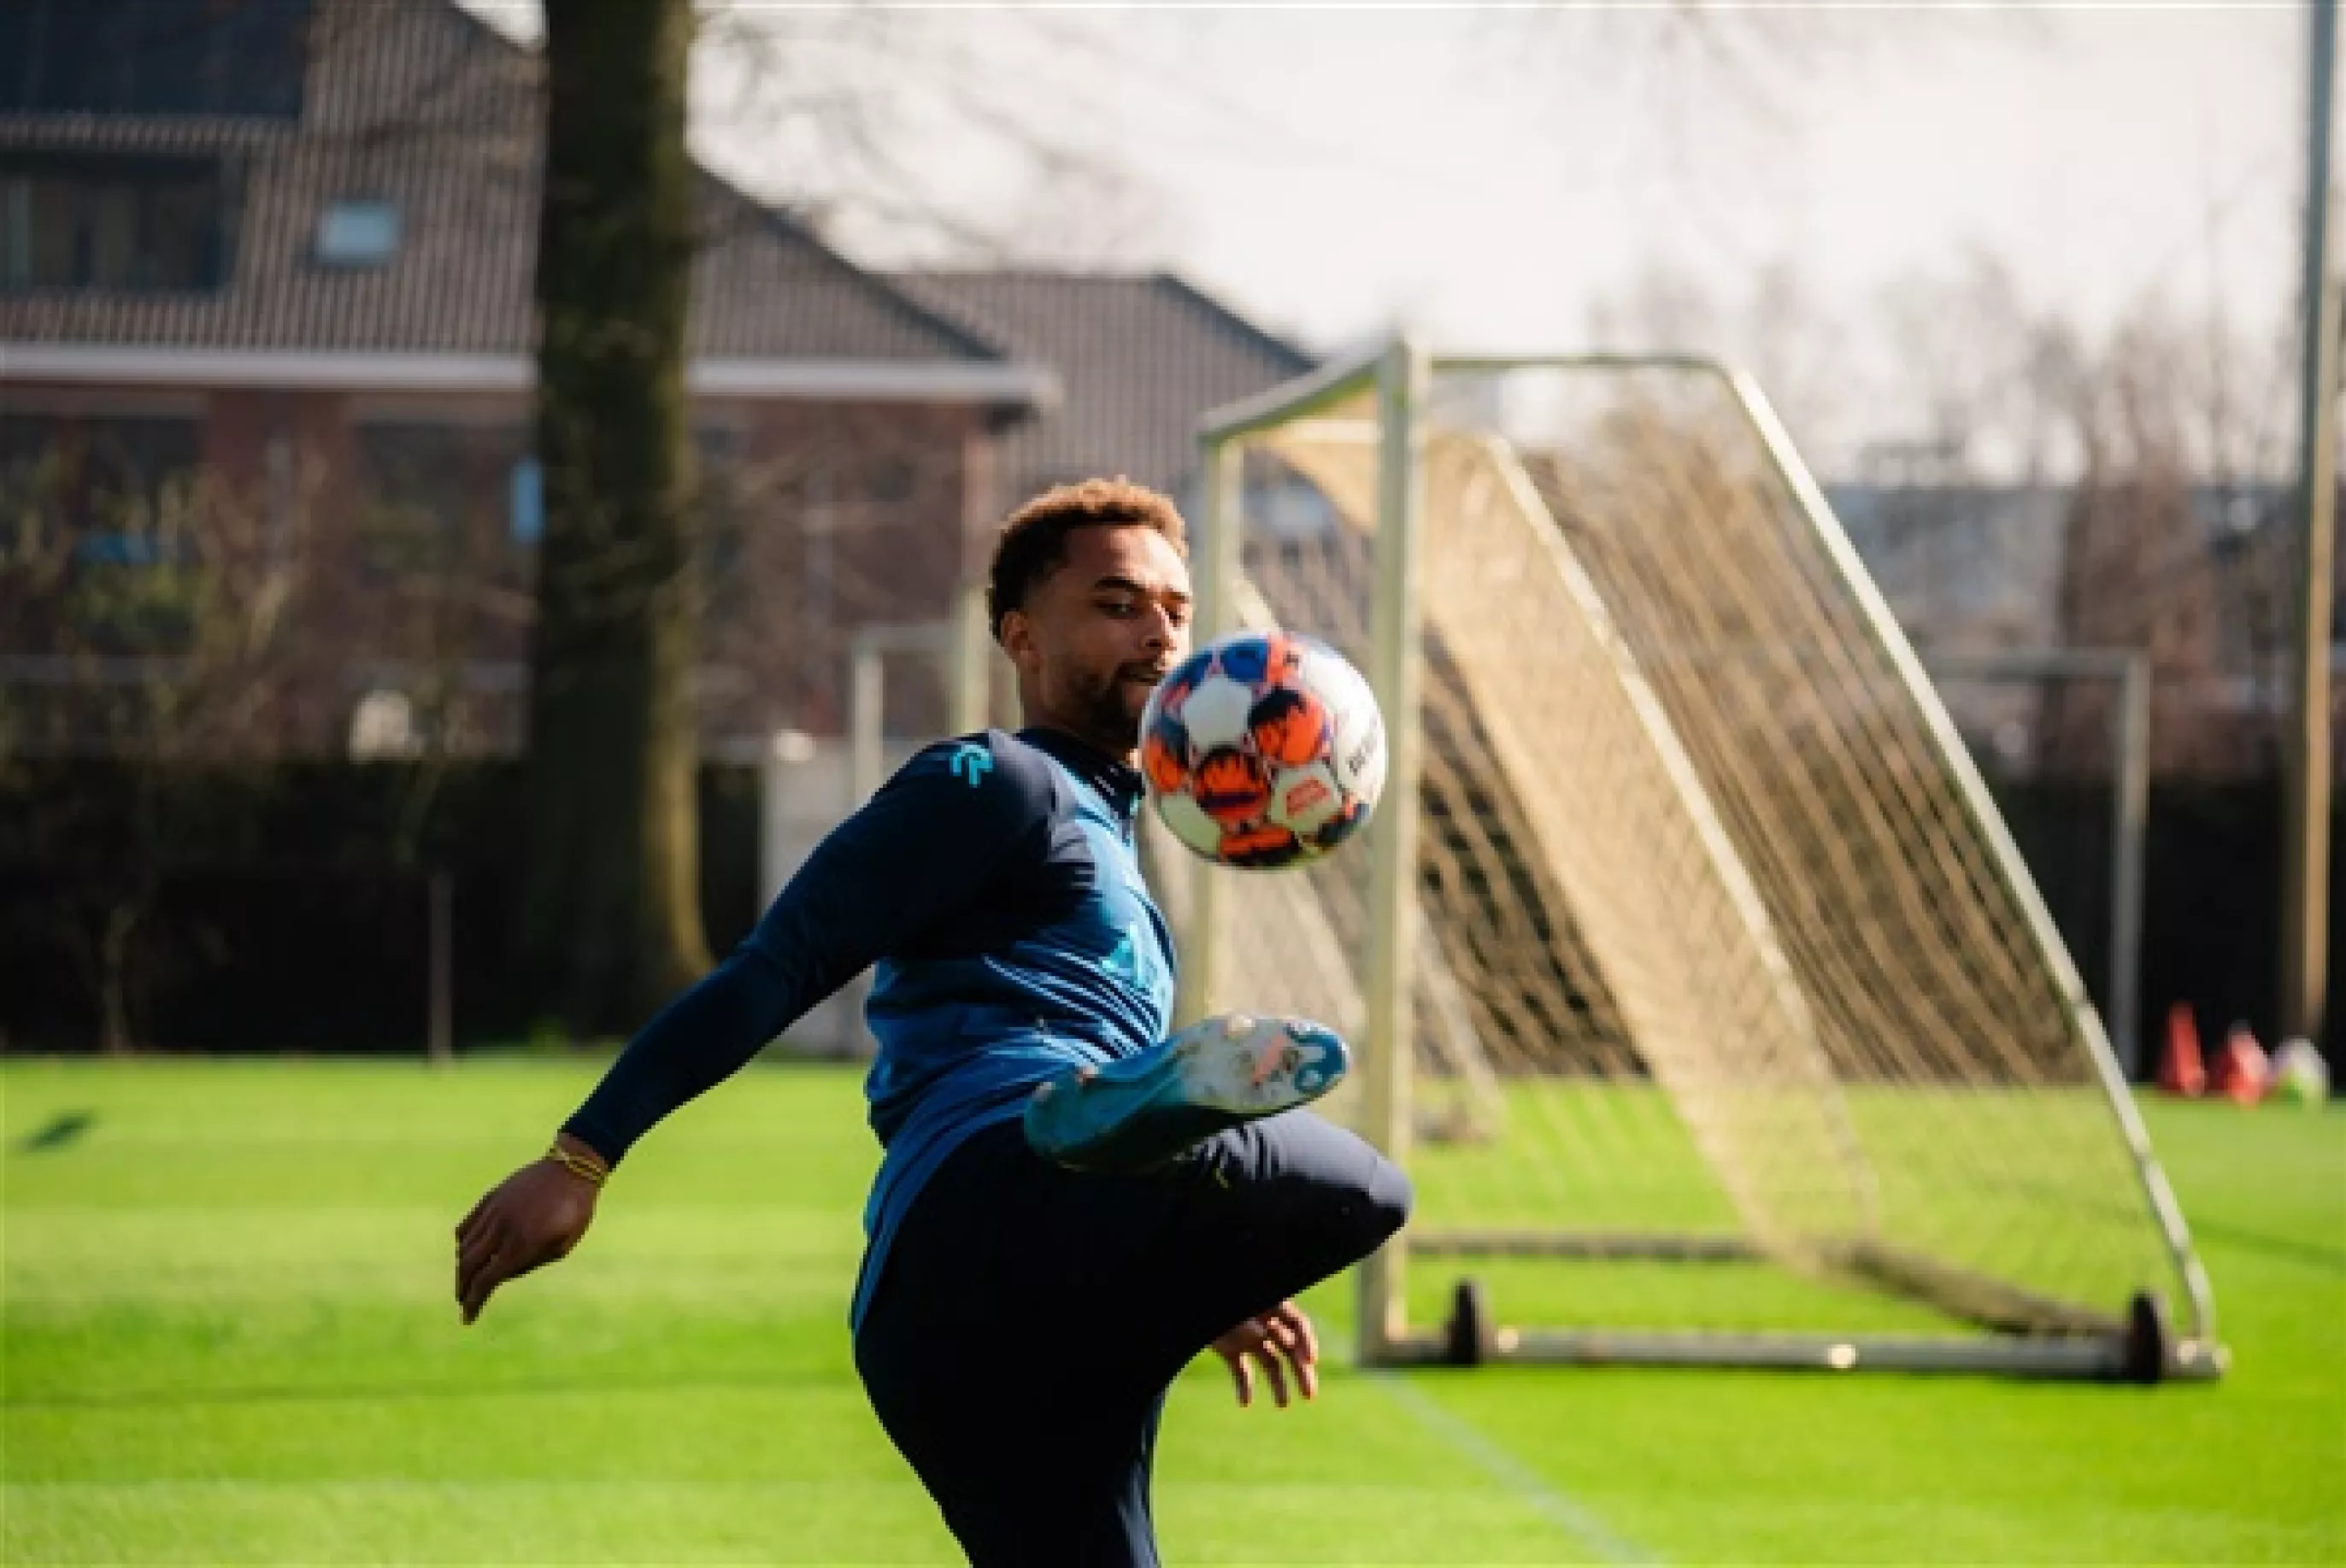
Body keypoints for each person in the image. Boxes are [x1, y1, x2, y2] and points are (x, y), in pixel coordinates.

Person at [453, 478, 1414, 1566]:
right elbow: (781, 965)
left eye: (1176, 609)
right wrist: (583, 1155)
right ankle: (1115, 1140)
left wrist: (1198, 1275)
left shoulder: (1117, 836)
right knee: (1365, 1187)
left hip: (952, 1327)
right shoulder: (994, 781)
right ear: (1021, 636)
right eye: (1114, 602)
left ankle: (1138, 1162)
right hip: (992, 1177)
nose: (1157, 629)